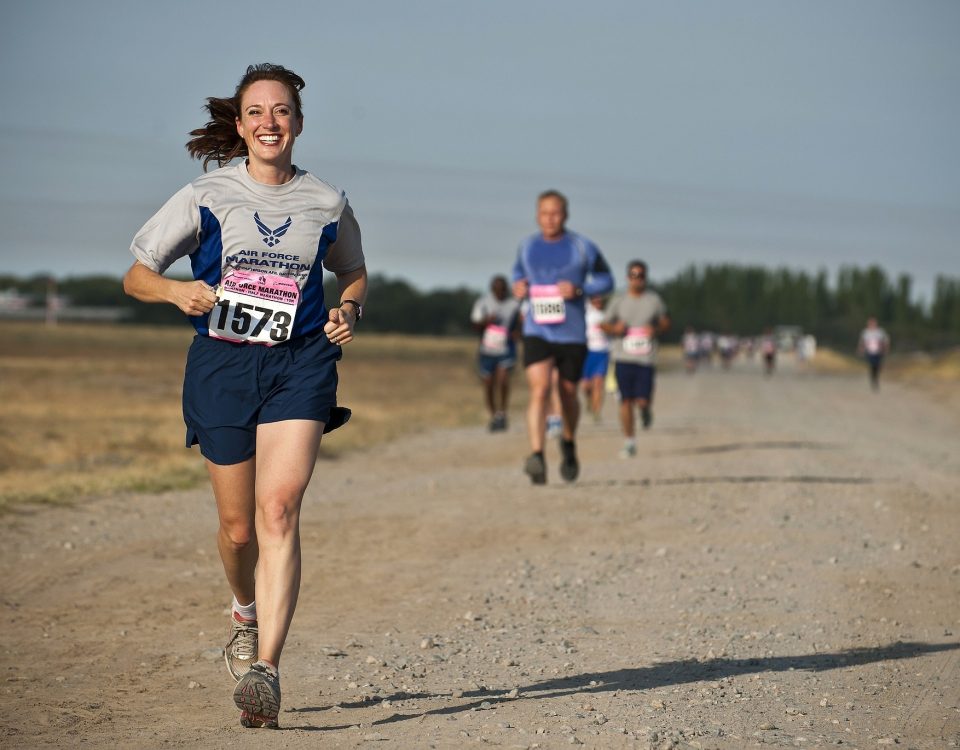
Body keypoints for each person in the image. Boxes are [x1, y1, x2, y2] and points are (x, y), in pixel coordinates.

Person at [123, 64, 367, 729]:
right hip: (223, 367)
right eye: (257, 112)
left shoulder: (326, 200)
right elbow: (136, 275)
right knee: (238, 530)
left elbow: (353, 270)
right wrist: (176, 292)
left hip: (301, 363)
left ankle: (267, 669)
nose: (270, 123)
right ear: (239, 124)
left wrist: (350, 308)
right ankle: (243, 611)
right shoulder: (205, 193)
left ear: (299, 122)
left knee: (279, 510)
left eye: (282, 111)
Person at [512, 190, 614, 484]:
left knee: (568, 394)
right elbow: (517, 276)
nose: (550, 219)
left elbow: (607, 280)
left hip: (571, 334)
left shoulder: (582, 247)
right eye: (544, 213)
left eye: (555, 213)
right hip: (537, 330)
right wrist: (518, 287)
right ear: (536, 215)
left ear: (565, 215)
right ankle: (537, 456)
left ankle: (568, 443)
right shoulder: (527, 246)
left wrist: (581, 290)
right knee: (540, 389)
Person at [601, 261, 670, 458]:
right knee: (625, 401)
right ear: (627, 277)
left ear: (645, 278)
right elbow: (604, 324)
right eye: (633, 275)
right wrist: (614, 329)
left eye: (640, 275)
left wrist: (655, 329)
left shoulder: (654, 300)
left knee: (641, 400)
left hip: (646, 359)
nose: (637, 279)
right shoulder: (619, 300)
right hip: (623, 356)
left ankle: (646, 410)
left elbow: (666, 321)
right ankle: (629, 441)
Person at [470, 275, 521, 431]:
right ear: (492, 289)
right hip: (487, 350)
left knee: (503, 379)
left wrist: (517, 333)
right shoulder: (483, 303)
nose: (500, 292)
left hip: (506, 349)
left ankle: (502, 413)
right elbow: (474, 325)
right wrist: (486, 321)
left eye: (502, 289)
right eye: (497, 289)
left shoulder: (514, 304)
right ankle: (493, 415)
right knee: (489, 384)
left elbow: (521, 323)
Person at [581, 295, 611, 422]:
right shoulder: (585, 312)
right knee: (586, 386)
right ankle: (589, 400)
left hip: (602, 352)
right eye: (595, 299)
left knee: (598, 383)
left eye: (600, 299)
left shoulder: (608, 314)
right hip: (587, 352)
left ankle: (597, 411)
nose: (598, 301)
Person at [857, 317, 890, 391]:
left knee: (877, 366)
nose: (872, 324)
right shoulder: (865, 332)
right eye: (870, 323)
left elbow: (885, 340)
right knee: (872, 365)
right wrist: (861, 349)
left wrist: (886, 348)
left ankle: (875, 378)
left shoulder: (880, 332)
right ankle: (873, 379)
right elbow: (862, 342)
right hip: (869, 352)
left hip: (878, 351)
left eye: (873, 322)